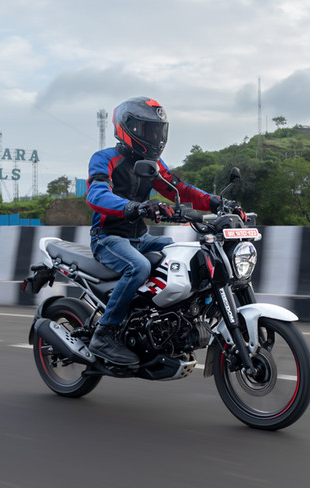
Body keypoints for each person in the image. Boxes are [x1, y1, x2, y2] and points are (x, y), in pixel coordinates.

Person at [85, 96, 228, 365]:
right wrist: (135, 207)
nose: (155, 137)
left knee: (182, 252)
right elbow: (96, 194)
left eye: (158, 130)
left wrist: (215, 202)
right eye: (148, 130)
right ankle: (105, 333)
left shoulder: (154, 165)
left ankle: (168, 320)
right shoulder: (105, 159)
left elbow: (181, 190)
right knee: (137, 267)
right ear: (129, 129)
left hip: (141, 238)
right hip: (108, 238)